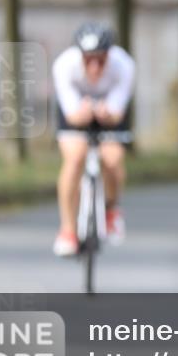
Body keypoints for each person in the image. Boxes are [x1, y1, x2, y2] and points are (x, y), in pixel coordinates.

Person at [51, 22, 136, 257]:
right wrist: (83, 113)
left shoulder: (124, 65)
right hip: (76, 112)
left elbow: (117, 112)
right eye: (89, 59)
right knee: (75, 158)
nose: (95, 66)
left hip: (110, 112)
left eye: (101, 59)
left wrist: (107, 113)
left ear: (110, 54)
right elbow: (71, 114)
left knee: (113, 159)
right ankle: (68, 229)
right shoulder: (64, 65)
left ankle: (112, 209)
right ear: (79, 55)